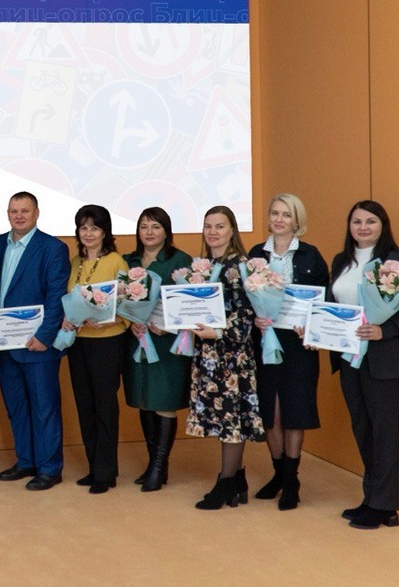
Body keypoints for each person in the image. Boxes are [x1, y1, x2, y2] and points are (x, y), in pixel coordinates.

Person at [327, 200, 399, 530]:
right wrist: (315, 329)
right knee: (364, 429)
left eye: (371, 221)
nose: (363, 227)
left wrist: (385, 330)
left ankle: (385, 505)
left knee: (386, 432)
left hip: (389, 361)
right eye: (356, 221)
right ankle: (373, 499)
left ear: (383, 225)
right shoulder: (341, 261)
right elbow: (331, 307)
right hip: (349, 358)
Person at [248, 193, 330, 510]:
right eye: (274, 213)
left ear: (297, 221)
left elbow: (323, 300)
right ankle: (279, 474)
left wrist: (311, 326)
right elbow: (245, 298)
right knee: (271, 412)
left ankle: (291, 480)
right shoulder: (256, 255)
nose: (279, 219)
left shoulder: (311, 255)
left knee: (294, 411)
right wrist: (254, 318)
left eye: (286, 214)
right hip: (265, 340)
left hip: (299, 345)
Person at [0, 191, 70, 491]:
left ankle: (50, 468)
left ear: (36, 213)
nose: (19, 216)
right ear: (7, 214)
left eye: (25, 211)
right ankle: (26, 461)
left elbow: (56, 295)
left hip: (38, 345)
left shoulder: (53, 248)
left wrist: (45, 337)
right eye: (14, 211)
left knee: (44, 408)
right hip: (4, 343)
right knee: (17, 407)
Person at [186, 205, 264, 510]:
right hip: (208, 354)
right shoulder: (204, 266)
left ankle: (226, 482)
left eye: (220, 226)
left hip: (232, 356)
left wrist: (217, 332)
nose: (213, 232)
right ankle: (237, 480)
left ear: (232, 230)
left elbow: (247, 314)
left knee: (231, 418)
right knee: (222, 418)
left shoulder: (240, 265)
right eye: (208, 226)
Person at [122, 207, 192, 493]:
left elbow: (190, 303)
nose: (149, 232)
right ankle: (154, 464)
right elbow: (120, 302)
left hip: (166, 343)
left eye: (155, 226)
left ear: (167, 230)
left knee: (164, 401)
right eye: (144, 226)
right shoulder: (129, 261)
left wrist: (170, 326)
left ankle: (159, 466)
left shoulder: (181, 261)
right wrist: (130, 321)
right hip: (138, 340)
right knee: (144, 399)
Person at [59, 204, 128, 494]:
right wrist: (68, 319)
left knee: (104, 406)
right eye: (83, 227)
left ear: (105, 232)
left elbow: (130, 306)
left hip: (107, 342)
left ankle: (106, 472)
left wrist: (110, 319)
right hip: (79, 342)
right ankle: (94, 467)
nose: (88, 233)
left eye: (95, 228)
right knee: (85, 405)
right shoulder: (75, 262)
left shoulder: (116, 261)